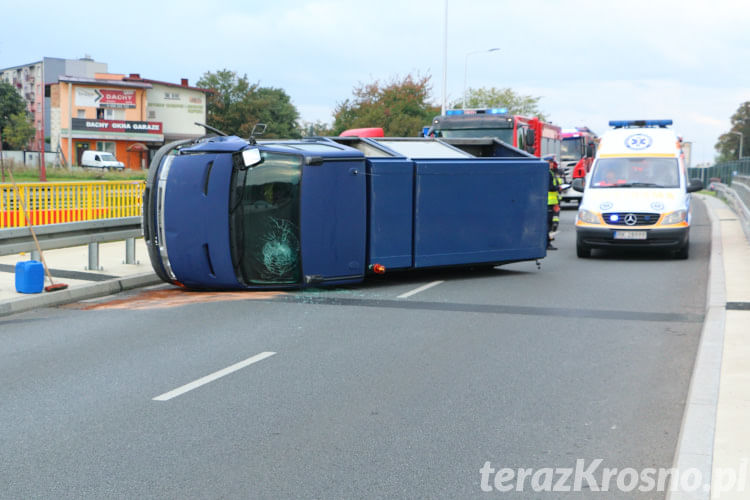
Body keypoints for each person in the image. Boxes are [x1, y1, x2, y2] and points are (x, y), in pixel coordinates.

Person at [544, 155, 561, 250]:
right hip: (549, 202)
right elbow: (550, 187)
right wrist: (558, 188)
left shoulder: (550, 172)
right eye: (549, 162)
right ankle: (547, 243)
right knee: (548, 224)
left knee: (549, 223)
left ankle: (547, 242)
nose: (551, 164)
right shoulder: (548, 173)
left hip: (552, 202)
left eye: (551, 162)